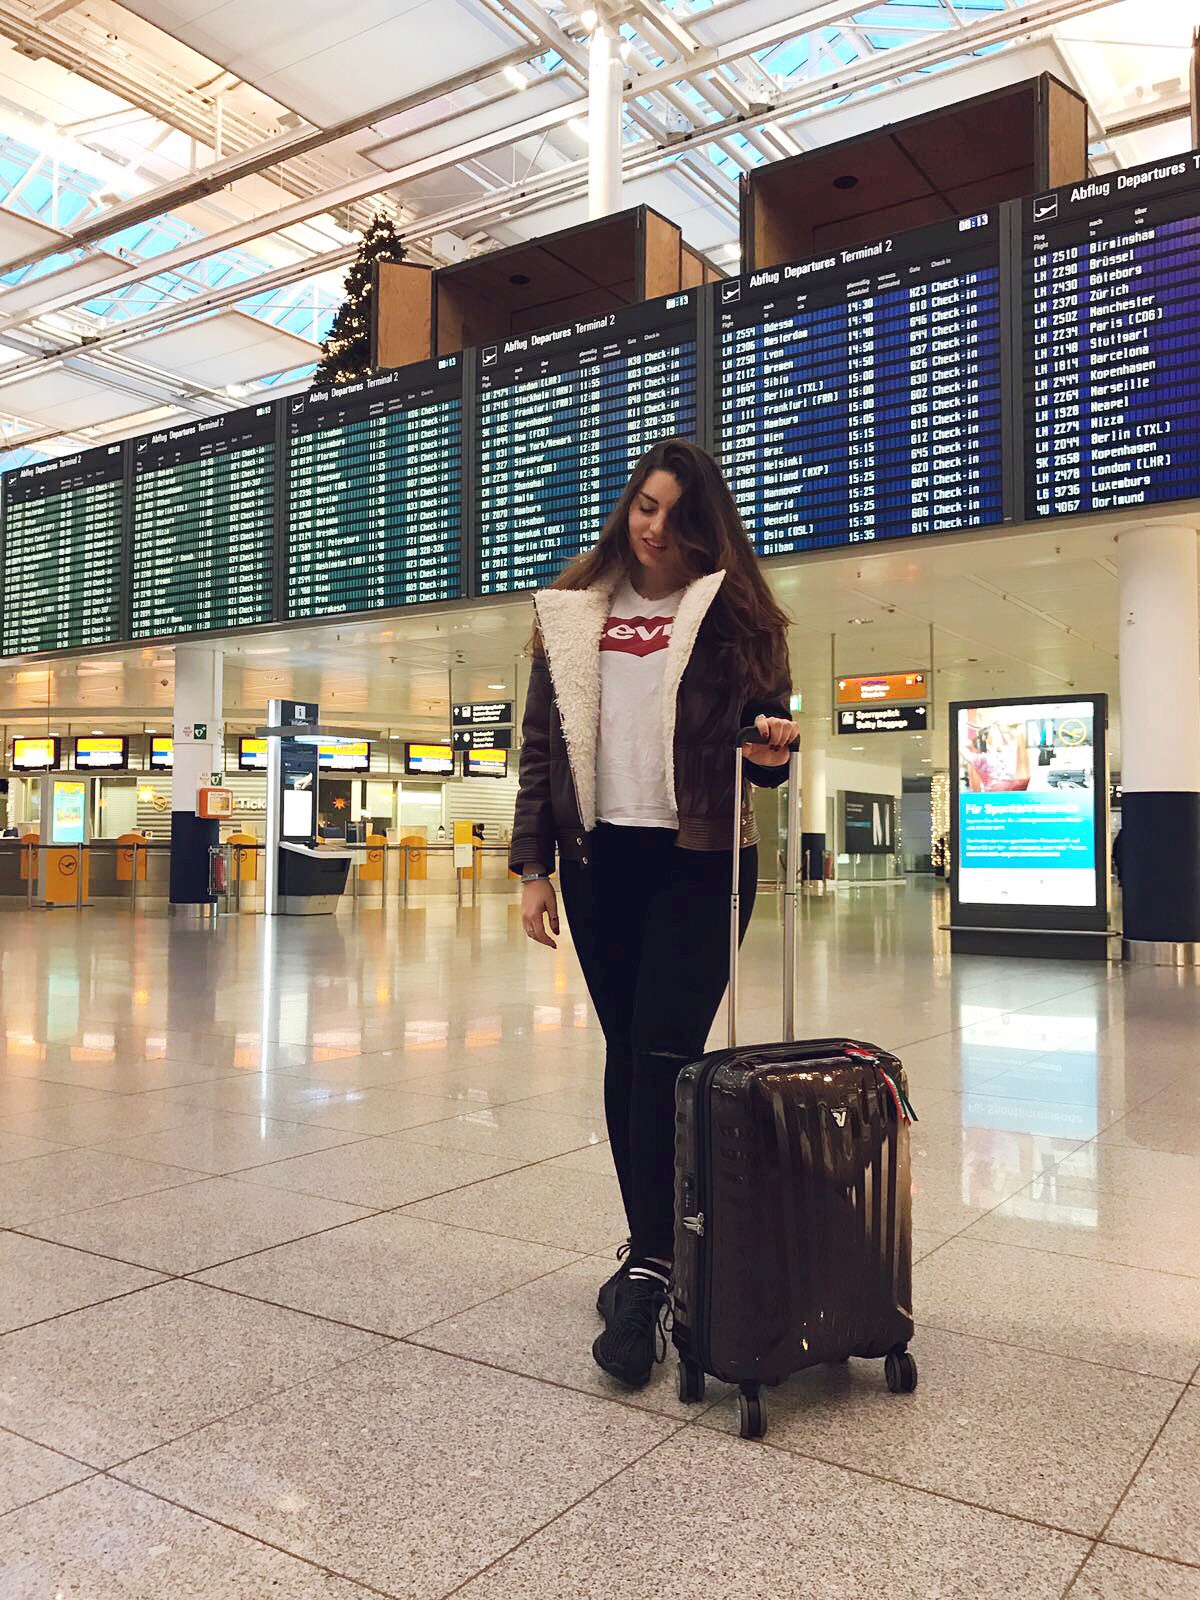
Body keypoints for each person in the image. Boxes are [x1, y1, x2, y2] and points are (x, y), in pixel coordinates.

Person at [509, 438, 797, 1389]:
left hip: (701, 858)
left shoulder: (737, 616)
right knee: (627, 1051)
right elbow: (541, 750)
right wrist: (533, 867)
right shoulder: (571, 611)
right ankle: (652, 1254)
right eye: (644, 504)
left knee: (668, 1055)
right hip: (600, 861)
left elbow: (765, 738)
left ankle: (651, 1269)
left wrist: (771, 750)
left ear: (704, 524)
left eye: (674, 512)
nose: (653, 527)